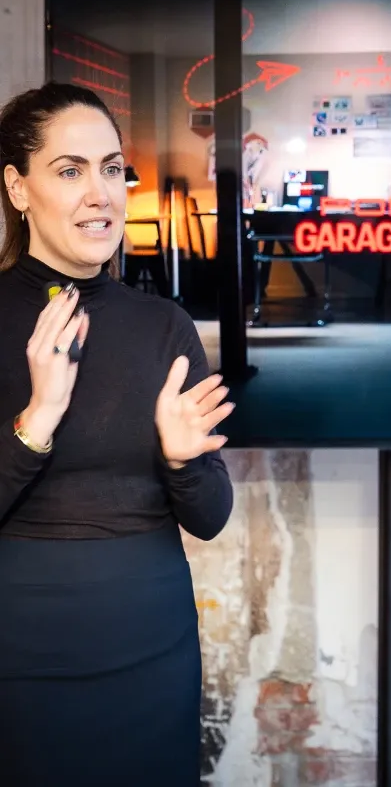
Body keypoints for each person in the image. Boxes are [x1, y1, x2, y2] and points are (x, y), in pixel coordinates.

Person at [0, 81, 234, 785]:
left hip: (151, 654)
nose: (100, 193)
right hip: (19, 660)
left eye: (111, 168)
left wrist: (182, 459)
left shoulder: (164, 326)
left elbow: (212, 517)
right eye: (70, 171)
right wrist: (37, 418)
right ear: (18, 188)